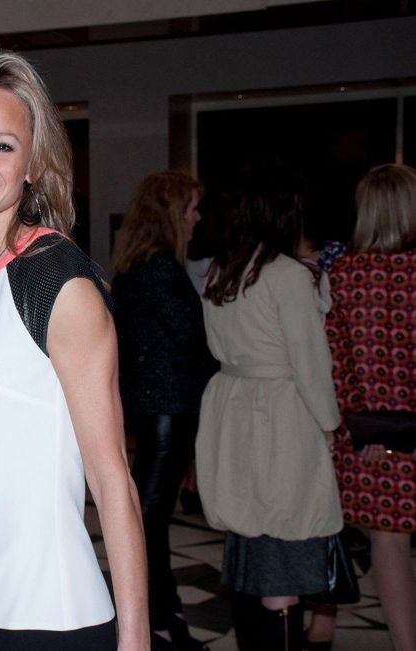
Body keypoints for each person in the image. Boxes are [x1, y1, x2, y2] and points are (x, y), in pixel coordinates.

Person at [0, 51, 147, 650]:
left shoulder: (59, 284)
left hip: (45, 615)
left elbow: (110, 474)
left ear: (34, 164)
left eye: (3, 146)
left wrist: (136, 637)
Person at [195, 165, 342, 650]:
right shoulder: (286, 276)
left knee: (249, 549)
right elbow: (309, 360)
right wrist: (329, 425)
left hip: (232, 410)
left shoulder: (223, 269)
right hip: (281, 416)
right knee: (284, 550)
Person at [310, 163, 415, 651]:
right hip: (391, 433)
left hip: (376, 440)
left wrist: (357, 431)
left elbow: (338, 366)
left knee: (388, 547)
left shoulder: (346, 276)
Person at [111, 170, 217, 650]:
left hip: (152, 405)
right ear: (172, 212)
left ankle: (160, 610)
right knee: (149, 517)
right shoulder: (159, 268)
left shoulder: (136, 265)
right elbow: (193, 338)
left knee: (148, 514)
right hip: (167, 408)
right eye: (192, 207)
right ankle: (152, 617)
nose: (197, 217)